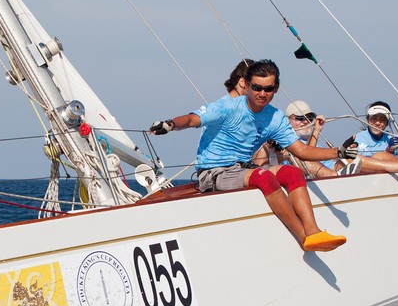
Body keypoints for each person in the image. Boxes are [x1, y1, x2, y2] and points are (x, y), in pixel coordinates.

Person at [148, 59, 354, 252]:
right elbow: (193, 119)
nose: (262, 93)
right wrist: (170, 124)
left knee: (292, 173)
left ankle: (314, 231)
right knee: (263, 176)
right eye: (257, 87)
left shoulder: (275, 117)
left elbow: (301, 151)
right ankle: (303, 238)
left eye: (268, 89)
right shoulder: (228, 107)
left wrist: (337, 152)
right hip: (213, 172)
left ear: (276, 89)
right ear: (246, 85)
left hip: (243, 169)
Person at [254, 100, 339, 178]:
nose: (306, 121)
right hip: (320, 176)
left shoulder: (314, 142)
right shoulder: (284, 141)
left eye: (309, 118)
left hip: (333, 172)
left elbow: (333, 166)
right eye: (300, 118)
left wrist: (316, 130)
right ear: (287, 120)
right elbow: (305, 155)